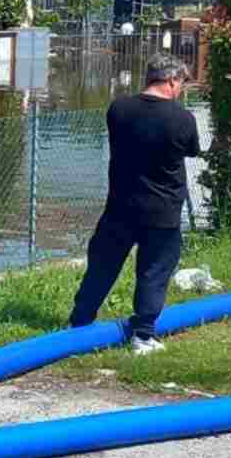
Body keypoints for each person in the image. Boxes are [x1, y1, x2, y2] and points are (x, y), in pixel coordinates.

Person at [69, 53, 201, 355]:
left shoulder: (119, 109)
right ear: (171, 81)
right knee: (154, 271)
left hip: (120, 206)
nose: (180, 90)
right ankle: (143, 335)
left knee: (101, 266)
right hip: (163, 210)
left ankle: (79, 323)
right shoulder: (182, 118)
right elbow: (192, 150)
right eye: (181, 84)